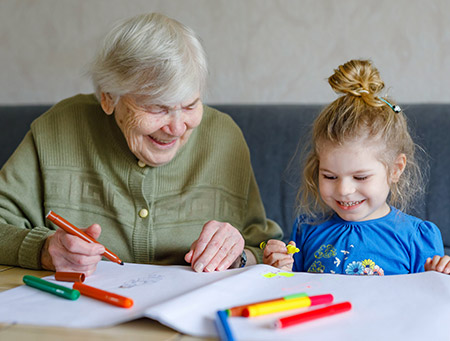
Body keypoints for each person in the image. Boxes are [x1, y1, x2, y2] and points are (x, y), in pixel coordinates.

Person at [0, 13, 282, 276]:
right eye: (157, 108)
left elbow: (267, 247)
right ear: (109, 98)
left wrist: (238, 255)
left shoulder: (223, 137)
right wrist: (43, 250)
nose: (175, 127)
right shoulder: (58, 129)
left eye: (190, 105)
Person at [263, 59, 450, 275]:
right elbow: (288, 290)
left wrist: (441, 277)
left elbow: (429, 302)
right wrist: (276, 269)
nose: (343, 190)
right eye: (330, 177)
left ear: (395, 169)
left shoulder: (416, 237)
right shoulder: (306, 230)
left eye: (361, 177)